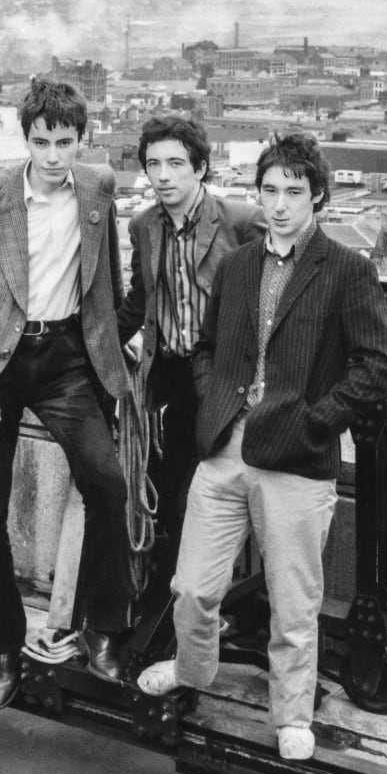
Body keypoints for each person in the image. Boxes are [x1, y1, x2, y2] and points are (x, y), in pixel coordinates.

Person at [138, 133, 387, 761]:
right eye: (270, 191)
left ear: (318, 198)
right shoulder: (237, 265)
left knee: (293, 601)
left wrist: (317, 420)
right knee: (194, 587)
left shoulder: (347, 269)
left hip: (297, 462)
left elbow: (378, 368)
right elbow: (206, 347)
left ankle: (291, 715)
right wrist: (213, 398)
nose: (280, 205)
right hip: (224, 448)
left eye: (293, 192)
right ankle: (194, 670)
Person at [0, 77, 133, 710]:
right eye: (42, 142)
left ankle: (103, 629)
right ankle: (2, 645)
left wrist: (114, 346)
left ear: (83, 140)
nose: (54, 156)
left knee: (108, 486)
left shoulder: (100, 187)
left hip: (68, 359)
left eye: (66, 142)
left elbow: (110, 281)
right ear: (26, 139)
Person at [117, 117, 265, 596]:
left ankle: (205, 597)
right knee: (168, 486)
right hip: (173, 375)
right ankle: (167, 595)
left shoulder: (240, 220)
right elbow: (139, 302)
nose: (163, 175)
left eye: (176, 163)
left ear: (200, 169)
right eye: (154, 164)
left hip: (226, 378)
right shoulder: (143, 225)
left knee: (217, 491)